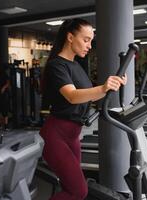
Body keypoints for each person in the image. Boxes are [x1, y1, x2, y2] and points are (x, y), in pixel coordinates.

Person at [40, 18, 127, 200]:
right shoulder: (57, 65)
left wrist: (112, 86)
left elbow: (89, 95)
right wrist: (103, 87)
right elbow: (72, 96)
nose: (89, 45)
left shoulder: (76, 65)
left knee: (70, 188)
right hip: (57, 135)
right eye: (85, 39)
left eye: (90, 41)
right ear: (70, 37)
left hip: (73, 136)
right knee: (79, 191)